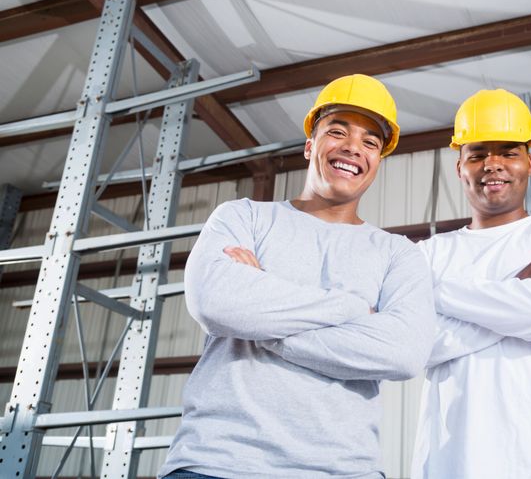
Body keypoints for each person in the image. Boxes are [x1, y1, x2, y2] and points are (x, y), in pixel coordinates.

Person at [159, 74, 435, 479]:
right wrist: (354, 309)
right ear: (310, 145)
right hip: (217, 462)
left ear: (377, 162)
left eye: (370, 142)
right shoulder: (244, 216)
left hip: (342, 470)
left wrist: (258, 315)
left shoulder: (399, 255)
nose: (352, 148)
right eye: (337, 131)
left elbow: (404, 352)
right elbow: (216, 303)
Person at [411, 89, 531, 479]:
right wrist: (518, 288)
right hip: (450, 461)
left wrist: (437, 294)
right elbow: (412, 344)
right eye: (478, 153)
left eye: (508, 153)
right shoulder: (427, 254)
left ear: (528, 163)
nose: (492, 165)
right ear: (459, 166)